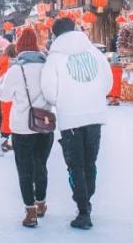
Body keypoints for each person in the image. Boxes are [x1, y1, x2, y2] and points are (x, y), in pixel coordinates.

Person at [40, 18, 112, 231]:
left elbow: (49, 92)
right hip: (95, 116)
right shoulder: (95, 53)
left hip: (70, 118)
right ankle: (87, 199)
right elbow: (108, 83)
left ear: (55, 35)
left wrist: (64, 99)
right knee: (90, 162)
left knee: (76, 164)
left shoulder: (54, 59)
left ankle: (83, 210)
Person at [0, 28, 53, 228]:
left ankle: (30, 212)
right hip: (45, 124)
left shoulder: (15, 70)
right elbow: (54, 94)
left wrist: (2, 83)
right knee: (41, 165)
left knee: (25, 169)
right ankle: (41, 203)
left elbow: (4, 96)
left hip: (21, 127)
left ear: (20, 48)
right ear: (37, 47)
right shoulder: (47, 67)